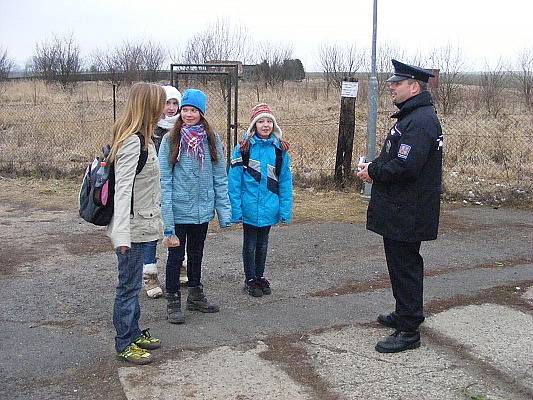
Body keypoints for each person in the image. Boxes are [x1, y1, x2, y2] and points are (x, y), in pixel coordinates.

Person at [357, 59, 443, 354]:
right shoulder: (411, 117)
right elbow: (395, 156)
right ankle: (405, 312)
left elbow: (406, 167)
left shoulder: (420, 121)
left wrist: (373, 172)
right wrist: (374, 166)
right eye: (392, 82)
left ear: (414, 87)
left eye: (397, 82)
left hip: (409, 209)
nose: (391, 86)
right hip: (400, 208)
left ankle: (408, 330)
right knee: (400, 263)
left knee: (405, 266)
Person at [159, 88, 232, 324]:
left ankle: (195, 295)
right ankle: (173, 299)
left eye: (193, 110)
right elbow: (164, 180)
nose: (188, 114)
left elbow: (220, 176)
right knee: (175, 256)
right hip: (179, 210)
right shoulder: (171, 139)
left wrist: (224, 211)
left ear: (202, 112)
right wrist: (167, 219)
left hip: (203, 210)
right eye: (185, 110)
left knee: (197, 254)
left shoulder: (212, 138)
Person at [106, 82, 166, 364]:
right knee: (128, 287)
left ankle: (134, 332)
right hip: (133, 229)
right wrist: (122, 237)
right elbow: (123, 191)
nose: (165, 108)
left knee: (133, 285)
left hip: (145, 225)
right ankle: (124, 343)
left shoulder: (146, 138)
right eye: (161, 103)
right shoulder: (132, 142)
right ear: (148, 106)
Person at [228, 103, 293, 297]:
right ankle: (250, 279)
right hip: (249, 207)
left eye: (269, 121)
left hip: (269, 207)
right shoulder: (243, 149)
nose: (265, 125)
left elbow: (285, 183)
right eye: (261, 121)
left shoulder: (280, 151)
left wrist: (285, 210)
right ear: (253, 125)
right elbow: (234, 181)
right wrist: (236, 209)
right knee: (249, 244)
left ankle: (259, 276)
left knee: (263, 244)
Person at [141, 85, 186, 299]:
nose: (170, 108)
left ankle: (180, 265)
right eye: (166, 103)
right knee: (151, 230)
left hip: (177, 188)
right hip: (152, 189)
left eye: (174, 103)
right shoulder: (150, 130)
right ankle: (149, 273)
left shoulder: (184, 128)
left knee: (177, 227)